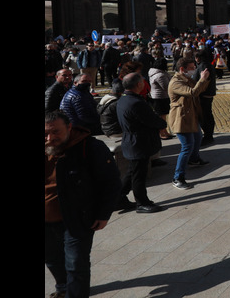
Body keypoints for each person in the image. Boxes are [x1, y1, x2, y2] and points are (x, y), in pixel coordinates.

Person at [45, 110, 122, 298]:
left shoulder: (90, 147)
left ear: (69, 127)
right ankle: (63, 288)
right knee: (52, 259)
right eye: (45, 133)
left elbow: (111, 182)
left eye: (55, 132)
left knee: (75, 263)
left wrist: (103, 214)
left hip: (76, 217)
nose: (49, 138)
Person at [117, 72, 168, 213]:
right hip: (138, 142)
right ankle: (142, 202)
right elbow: (152, 120)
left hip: (132, 140)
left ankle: (118, 197)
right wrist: (161, 123)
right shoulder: (136, 102)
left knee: (132, 171)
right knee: (139, 174)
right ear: (139, 84)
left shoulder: (124, 99)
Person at [168, 57, 211, 189]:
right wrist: (202, 79)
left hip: (191, 116)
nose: (194, 70)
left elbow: (199, 89)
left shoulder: (186, 79)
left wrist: (206, 80)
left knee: (198, 137)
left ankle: (194, 159)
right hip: (181, 119)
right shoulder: (176, 82)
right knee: (187, 146)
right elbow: (193, 92)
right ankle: (178, 177)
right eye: (192, 68)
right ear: (182, 69)